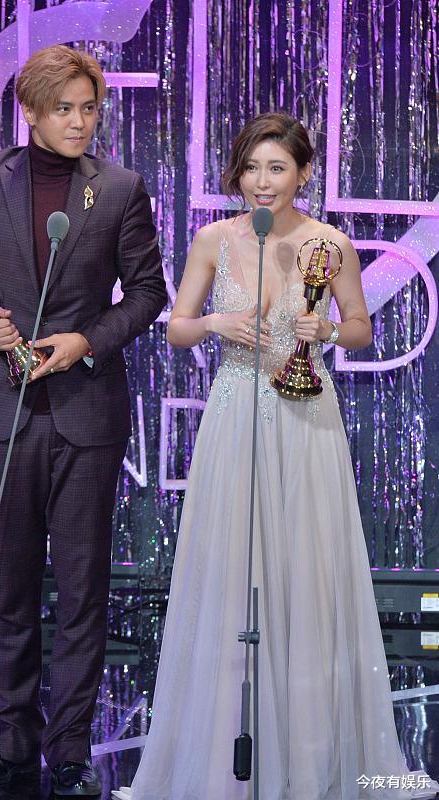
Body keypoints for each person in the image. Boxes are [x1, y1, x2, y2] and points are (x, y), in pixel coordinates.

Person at [113, 113, 439, 800]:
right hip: (236, 413)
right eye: (252, 169)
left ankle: (312, 758)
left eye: (278, 169)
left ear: (304, 173)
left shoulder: (331, 243)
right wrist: (213, 322)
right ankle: (226, 758)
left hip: (306, 417)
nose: (262, 182)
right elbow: (176, 328)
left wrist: (330, 330)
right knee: (234, 568)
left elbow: (360, 327)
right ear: (237, 174)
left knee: (306, 569)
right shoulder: (214, 239)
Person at [0, 44, 166, 797]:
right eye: (64, 108)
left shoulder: (120, 189)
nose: (79, 121)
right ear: (29, 111)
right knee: (11, 584)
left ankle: (68, 751)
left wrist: (85, 341)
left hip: (86, 407)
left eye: (89, 108)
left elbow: (148, 293)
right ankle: (12, 743)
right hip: (2, 406)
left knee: (84, 587)